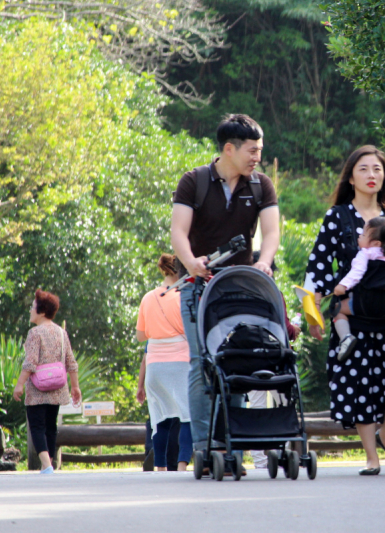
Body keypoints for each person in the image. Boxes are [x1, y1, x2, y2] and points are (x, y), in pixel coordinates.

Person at [305, 145, 385, 476]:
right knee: (357, 384)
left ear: (384, 178)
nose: (371, 175)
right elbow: (319, 267)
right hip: (352, 316)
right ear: (351, 178)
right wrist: (313, 312)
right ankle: (371, 456)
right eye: (364, 169)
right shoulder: (337, 216)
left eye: (377, 170)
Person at [170, 114, 280, 454]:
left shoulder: (261, 185)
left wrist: (263, 260)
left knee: (235, 358)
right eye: (251, 150)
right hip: (197, 286)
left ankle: (232, 442)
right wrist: (191, 262)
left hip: (240, 284)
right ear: (229, 149)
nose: (257, 157)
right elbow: (178, 231)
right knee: (201, 362)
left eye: (260, 150)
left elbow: (272, 231)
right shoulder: (194, 182)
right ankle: (205, 445)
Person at [12, 289, 81, 474]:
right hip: (57, 387)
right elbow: (71, 362)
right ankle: (47, 465)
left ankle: (47, 466)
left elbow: (30, 362)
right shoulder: (61, 332)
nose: (30, 310)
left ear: (41, 312)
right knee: (51, 427)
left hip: (37, 389)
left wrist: (19, 384)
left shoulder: (35, 333)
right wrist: (75, 386)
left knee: (37, 426)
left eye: (32, 307)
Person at [332, 216, 385, 363]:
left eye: (364, 235)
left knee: (338, 310)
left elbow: (356, 274)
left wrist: (343, 286)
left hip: (363, 302)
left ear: (375, 243)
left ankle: (346, 338)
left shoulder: (364, 254)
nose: (359, 236)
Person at [135, 254, 193, 472]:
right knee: (186, 416)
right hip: (181, 362)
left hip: (155, 364)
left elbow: (141, 336)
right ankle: (181, 466)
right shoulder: (184, 296)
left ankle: (160, 466)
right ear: (180, 270)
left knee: (160, 418)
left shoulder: (148, 298)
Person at [248, 251, 301, 471]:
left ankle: (260, 462)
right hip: (277, 358)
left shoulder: (241, 293)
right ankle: (282, 456)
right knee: (283, 406)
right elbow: (285, 329)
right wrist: (296, 329)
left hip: (248, 359)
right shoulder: (274, 294)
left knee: (256, 408)